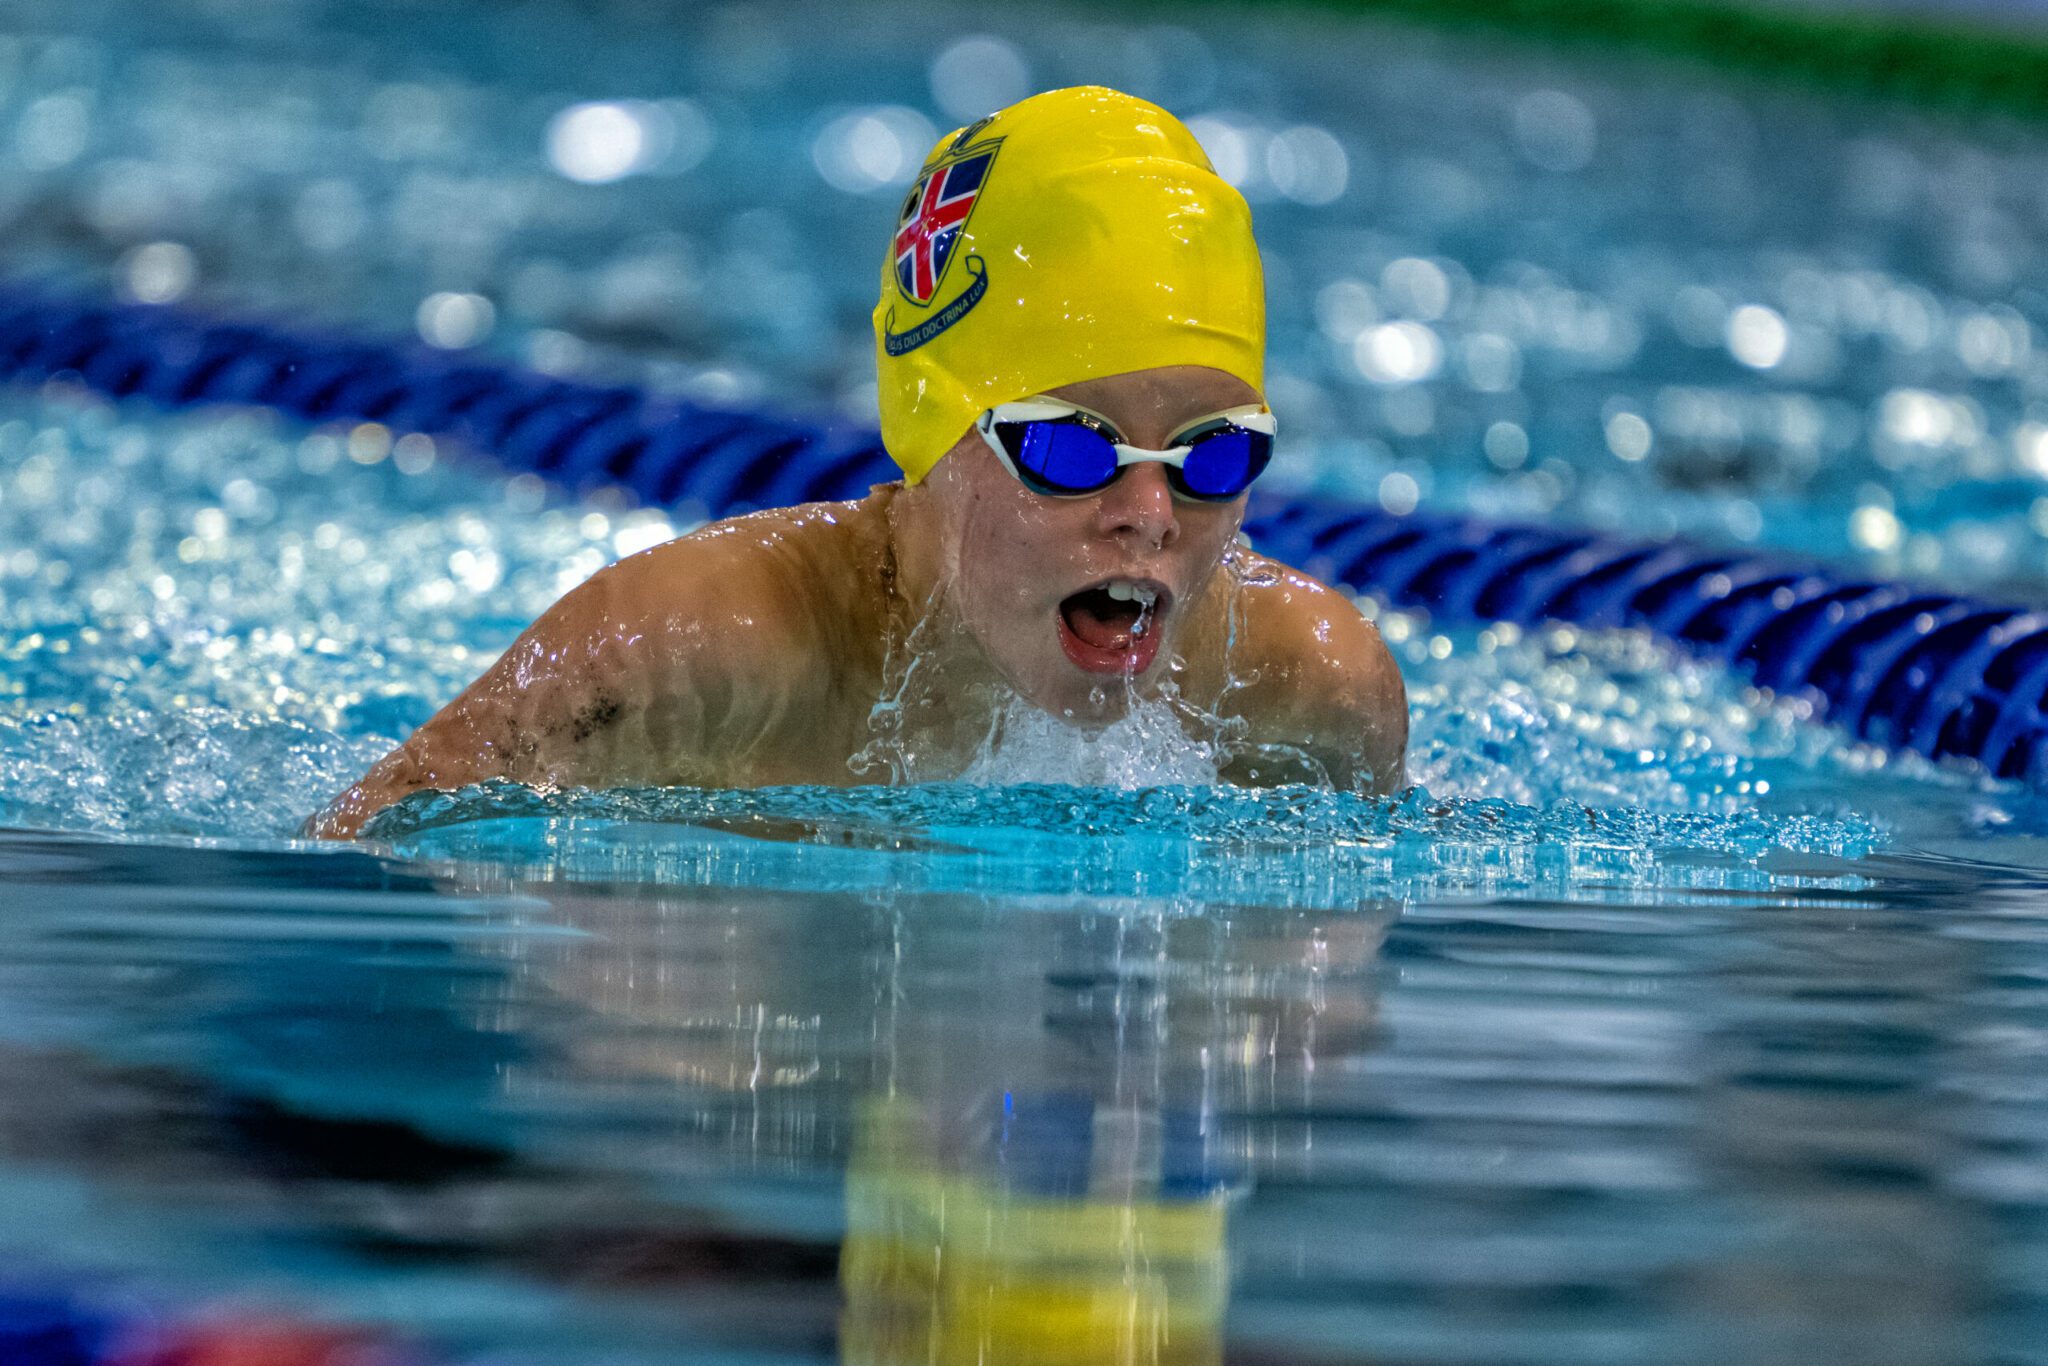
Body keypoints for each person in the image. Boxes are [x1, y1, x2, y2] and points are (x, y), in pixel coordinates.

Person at [310, 86, 1405, 839]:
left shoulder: (1307, 695)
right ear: (936, 427)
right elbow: (357, 869)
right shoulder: (695, 652)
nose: (1150, 514)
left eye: (1214, 454)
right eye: (1071, 446)